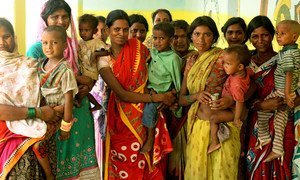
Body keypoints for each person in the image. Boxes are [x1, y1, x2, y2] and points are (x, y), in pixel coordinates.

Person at [95, 9, 176, 179]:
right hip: (120, 116)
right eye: (117, 29)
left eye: (126, 29)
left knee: (147, 163)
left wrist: (166, 92)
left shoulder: (138, 47)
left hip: (147, 114)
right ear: (108, 30)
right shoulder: (103, 59)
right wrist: (157, 97)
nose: (122, 34)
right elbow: (123, 94)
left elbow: (155, 72)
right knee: (126, 161)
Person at [26, 0, 99, 179]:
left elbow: (89, 75)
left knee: (81, 161)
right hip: (54, 112)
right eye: (54, 17)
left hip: (79, 110)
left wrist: (86, 84)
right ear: (45, 19)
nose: (60, 21)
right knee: (55, 158)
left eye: (65, 16)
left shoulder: (75, 44)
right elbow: (32, 84)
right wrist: (78, 79)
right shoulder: (37, 48)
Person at [178, 16, 241, 179]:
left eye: (207, 34)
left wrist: (229, 100)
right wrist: (196, 95)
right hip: (198, 127)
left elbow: (245, 81)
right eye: (197, 34)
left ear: (214, 37)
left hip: (220, 129)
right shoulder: (190, 60)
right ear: (191, 36)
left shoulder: (223, 57)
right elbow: (182, 99)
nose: (201, 39)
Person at [0, 17, 62, 179]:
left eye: (6, 36)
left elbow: (49, 85)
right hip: (6, 137)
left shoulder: (29, 64)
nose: (1, 42)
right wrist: (39, 113)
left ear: (14, 37)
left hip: (37, 130)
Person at [245, 15, 295, 179]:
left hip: (283, 119)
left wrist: (289, 99)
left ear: (273, 35)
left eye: (265, 35)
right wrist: (261, 106)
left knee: (281, 164)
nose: (260, 40)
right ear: (250, 39)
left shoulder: (283, 59)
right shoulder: (245, 63)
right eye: (255, 36)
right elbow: (240, 97)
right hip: (255, 124)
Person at [255, 19, 300, 162]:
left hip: (284, 93)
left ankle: (275, 148)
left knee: (279, 121)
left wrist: (287, 95)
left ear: (294, 37)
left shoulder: (287, 55)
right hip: (285, 92)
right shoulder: (290, 53)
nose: (278, 36)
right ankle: (266, 138)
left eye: (282, 33)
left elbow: (289, 74)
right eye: (277, 33)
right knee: (265, 115)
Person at [38, 25, 78, 179]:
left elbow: (69, 100)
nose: (48, 47)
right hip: (46, 112)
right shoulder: (42, 66)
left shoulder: (65, 70)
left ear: (64, 45)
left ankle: (50, 175)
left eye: (54, 43)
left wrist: (65, 127)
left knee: (40, 144)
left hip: (59, 115)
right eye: (45, 43)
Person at [140, 22, 182, 153]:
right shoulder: (152, 53)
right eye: (155, 38)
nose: (157, 42)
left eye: (162, 38)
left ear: (170, 40)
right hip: (151, 89)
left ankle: (150, 139)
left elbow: (178, 81)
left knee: (149, 110)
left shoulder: (173, 58)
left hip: (164, 91)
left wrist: (175, 97)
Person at [207, 45, 252, 153]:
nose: (224, 66)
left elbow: (239, 101)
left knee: (213, 118)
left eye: (228, 64)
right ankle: (241, 150)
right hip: (235, 109)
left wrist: (236, 118)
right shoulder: (245, 72)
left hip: (235, 111)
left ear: (240, 67)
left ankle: (214, 142)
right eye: (224, 63)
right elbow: (251, 74)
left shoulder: (236, 84)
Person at [77, 13, 107, 111]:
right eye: (80, 30)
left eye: (86, 30)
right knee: (82, 89)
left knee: (84, 89)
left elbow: (108, 50)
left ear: (94, 31)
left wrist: (96, 54)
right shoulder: (79, 42)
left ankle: (78, 101)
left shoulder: (97, 42)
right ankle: (97, 105)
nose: (83, 33)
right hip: (82, 71)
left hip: (92, 73)